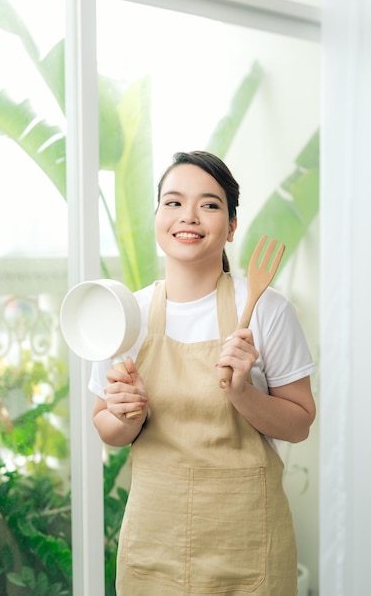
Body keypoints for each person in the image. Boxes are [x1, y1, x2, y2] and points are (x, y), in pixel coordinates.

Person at [89, 151, 316, 596]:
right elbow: (106, 427)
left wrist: (243, 394)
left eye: (209, 205)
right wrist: (125, 416)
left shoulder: (267, 311)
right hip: (156, 543)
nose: (188, 216)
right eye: (173, 202)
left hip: (247, 544)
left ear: (231, 226)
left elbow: (300, 424)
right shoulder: (124, 314)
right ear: (157, 216)